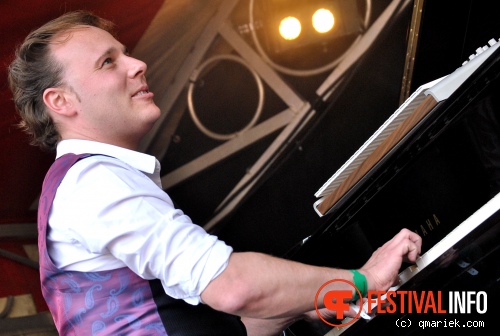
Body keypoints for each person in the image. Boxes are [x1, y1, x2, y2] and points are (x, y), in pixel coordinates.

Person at [8, 11, 422, 336]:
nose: (138, 64)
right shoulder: (94, 183)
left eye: (125, 52)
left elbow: (193, 324)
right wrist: (362, 279)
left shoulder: (83, 184)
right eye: (107, 62)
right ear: (60, 101)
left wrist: (301, 302)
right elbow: (233, 287)